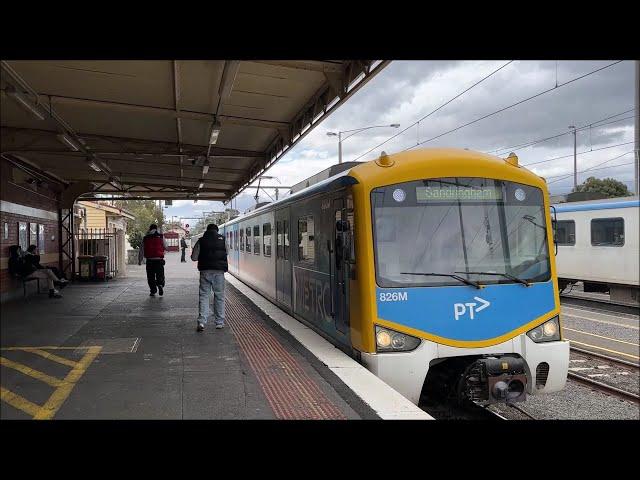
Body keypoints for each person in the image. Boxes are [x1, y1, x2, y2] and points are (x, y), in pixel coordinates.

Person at [191, 224, 228, 332]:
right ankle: (219, 323)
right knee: (219, 296)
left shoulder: (201, 241)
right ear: (217, 230)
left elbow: (194, 258)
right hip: (219, 272)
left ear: (207, 231)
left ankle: (202, 322)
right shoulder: (223, 239)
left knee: (204, 296)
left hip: (205, 272)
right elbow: (228, 253)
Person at [138, 224, 168, 296]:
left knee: (150, 276)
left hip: (149, 260)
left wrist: (140, 260)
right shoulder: (161, 236)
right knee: (160, 274)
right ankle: (160, 284)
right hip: (159, 260)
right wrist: (163, 250)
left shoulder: (145, 238)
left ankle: (153, 290)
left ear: (149, 229)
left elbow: (141, 250)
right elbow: (166, 247)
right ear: (156, 228)